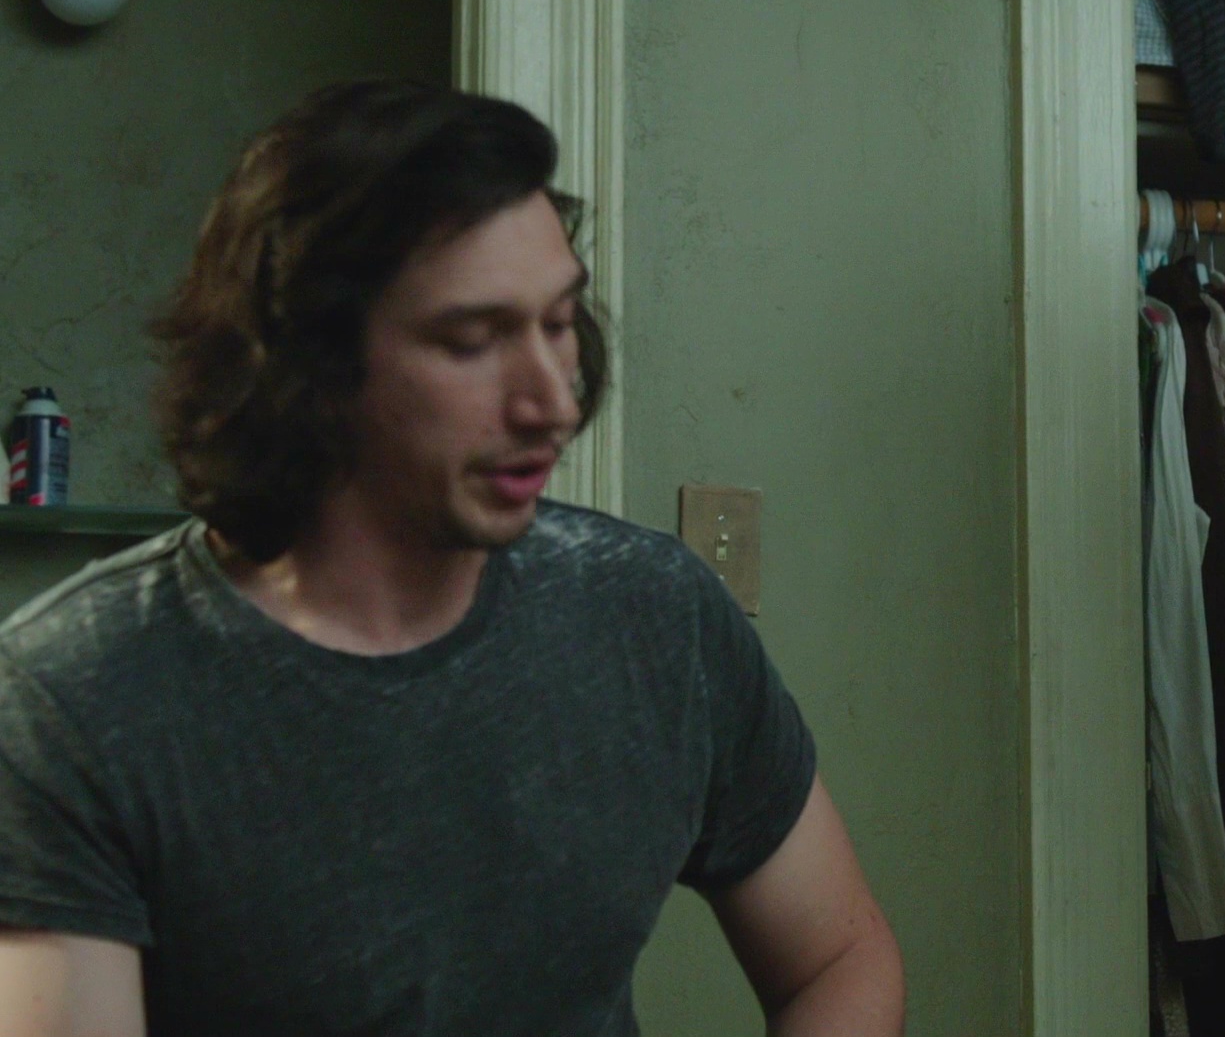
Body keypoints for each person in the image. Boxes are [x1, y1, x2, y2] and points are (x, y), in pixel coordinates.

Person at [0, 79, 904, 1036]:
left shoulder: (658, 616)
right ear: (307, 365)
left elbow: (839, 959)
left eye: (559, 324)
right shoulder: (76, 703)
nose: (552, 401)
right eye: (474, 341)